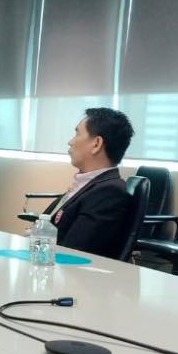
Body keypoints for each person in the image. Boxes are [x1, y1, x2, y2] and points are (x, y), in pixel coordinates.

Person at [45, 108, 137, 258]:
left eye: (77, 134)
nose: (70, 142)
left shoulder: (109, 193)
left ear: (96, 144)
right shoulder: (86, 185)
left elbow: (73, 251)